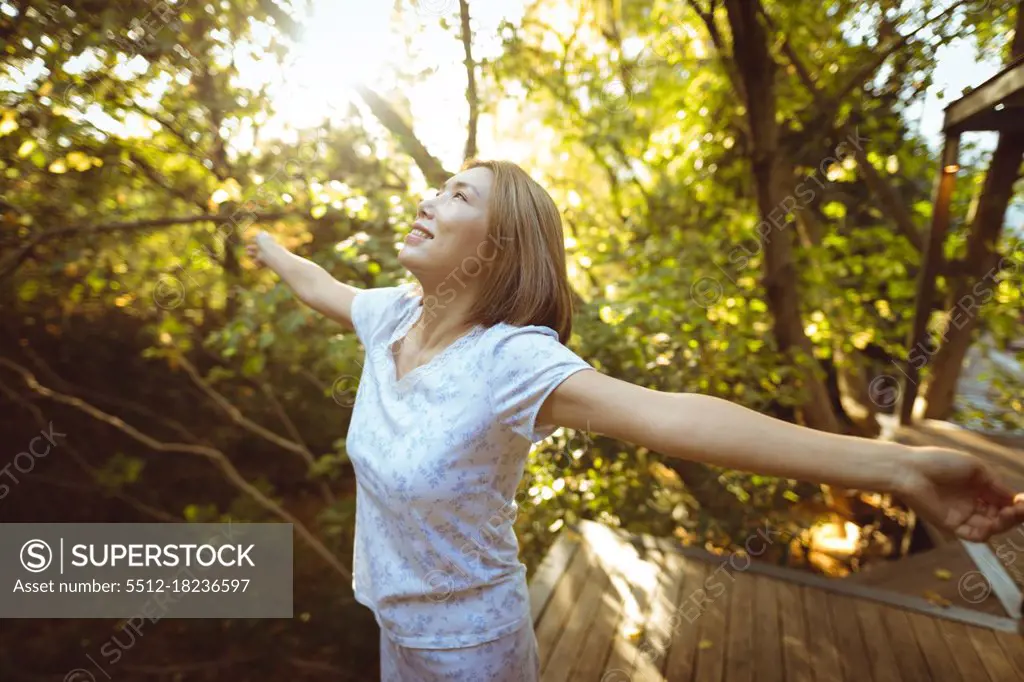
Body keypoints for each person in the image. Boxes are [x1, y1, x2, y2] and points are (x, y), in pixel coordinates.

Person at [246, 159, 1024, 681]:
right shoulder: (391, 319)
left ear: (500, 247)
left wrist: (901, 466)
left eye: (459, 196)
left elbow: (668, 416)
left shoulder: (509, 362)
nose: (429, 199)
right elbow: (318, 285)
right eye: (438, 186)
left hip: (471, 651)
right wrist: (257, 240)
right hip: (391, 624)